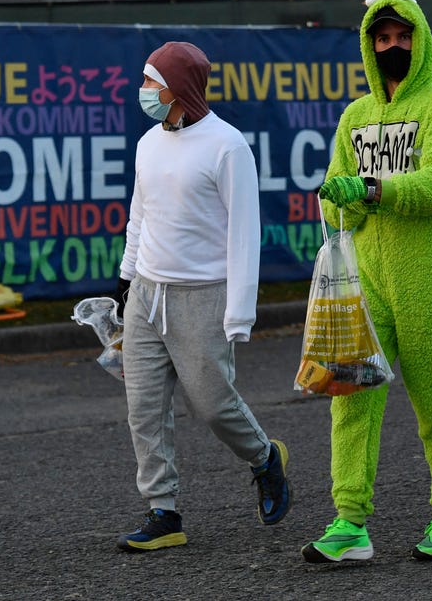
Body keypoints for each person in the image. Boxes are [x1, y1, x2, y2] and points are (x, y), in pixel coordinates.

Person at [308, 0, 432, 563]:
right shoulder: (355, 116)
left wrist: (372, 188)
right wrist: (337, 196)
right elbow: (341, 197)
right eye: (382, 38)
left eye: (403, 37)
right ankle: (349, 521)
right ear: (367, 43)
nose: (392, 46)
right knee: (350, 398)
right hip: (365, 277)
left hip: (428, 277)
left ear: (421, 40)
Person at [114, 41, 291, 552]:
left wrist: (240, 313)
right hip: (148, 294)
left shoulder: (227, 146)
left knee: (213, 407)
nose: (143, 90)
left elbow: (243, 233)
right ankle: (163, 512)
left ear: (177, 87)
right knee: (144, 409)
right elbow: (139, 216)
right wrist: (127, 282)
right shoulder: (149, 143)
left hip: (203, 298)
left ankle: (263, 458)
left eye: (150, 81)